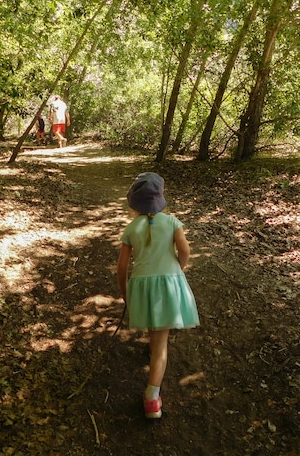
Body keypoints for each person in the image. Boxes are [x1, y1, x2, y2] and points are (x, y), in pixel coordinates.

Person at [116, 172, 200, 419]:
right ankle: (152, 397)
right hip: (168, 285)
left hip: (142, 285)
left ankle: (152, 354)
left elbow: (122, 267)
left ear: (134, 203)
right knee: (162, 342)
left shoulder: (131, 228)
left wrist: (125, 292)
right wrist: (177, 269)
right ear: (161, 199)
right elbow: (184, 251)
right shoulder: (173, 222)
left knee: (154, 327)